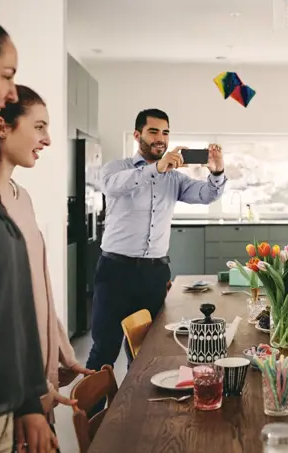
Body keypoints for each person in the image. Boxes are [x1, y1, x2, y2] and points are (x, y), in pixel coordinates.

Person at [0, 84, 95, 441]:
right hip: (5, 394)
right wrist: (27, 394)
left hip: (35, 383)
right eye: (39, 126)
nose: (48, 140)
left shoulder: (21, 198)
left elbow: (36, 287)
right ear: (1, 127)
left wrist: (62, 353)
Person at [85, 109, 226, 393]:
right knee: (104, 350)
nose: (160, 139)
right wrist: (156, 168)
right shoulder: (117, 168)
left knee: (148, 351)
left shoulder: (175, 179)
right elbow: (112, 187)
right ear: (138, 135)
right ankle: (91, 424)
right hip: (115, 271)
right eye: (153, 132)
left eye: (165, 132)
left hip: (154, 273)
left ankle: (135, 414)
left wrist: (217, 170)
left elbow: (208, 194)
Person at [0, 11, 57, 453]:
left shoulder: (0, 197)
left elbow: (22, 293)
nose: (9, 92)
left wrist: (29, 396)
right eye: (5, 75)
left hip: (4, 408)